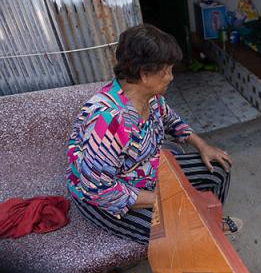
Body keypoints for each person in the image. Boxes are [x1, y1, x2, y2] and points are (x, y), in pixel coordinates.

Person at [66, 24, 242, 245]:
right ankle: (180, 263)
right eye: (166, 70)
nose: (171, 77)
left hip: (144, 172)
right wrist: (165, 198)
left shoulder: (151, 97)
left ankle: (210, 220)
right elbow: (99, 189)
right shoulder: (109, 121)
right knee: (180, 230)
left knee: (219, 167)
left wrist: (202, 145)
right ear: (145, 74)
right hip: (105, 198)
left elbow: (172, 121)